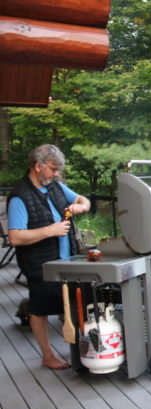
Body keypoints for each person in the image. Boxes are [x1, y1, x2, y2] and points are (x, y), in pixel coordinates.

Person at [7, 144, 90, 370]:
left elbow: (85, 200)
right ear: (37, 166)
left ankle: (81, 347)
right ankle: (47, 356)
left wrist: (80, 206)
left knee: (75, 301)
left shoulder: (56, 187)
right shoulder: (19, 197)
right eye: (53, 169)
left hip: (69, 260)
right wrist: (50, 230)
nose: (56, 174)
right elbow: (15, 237)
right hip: (40, 264)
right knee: (40, 309)